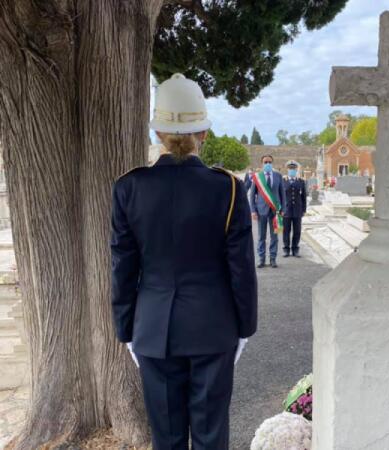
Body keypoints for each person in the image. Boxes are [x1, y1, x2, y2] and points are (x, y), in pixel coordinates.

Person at [110, 73, 258, 450]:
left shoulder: (129, 188)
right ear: (203, 133)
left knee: (167, 438)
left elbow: (123, 268)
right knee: (211, 436)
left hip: (152, 328)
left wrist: (126, 330)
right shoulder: (227, 188)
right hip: (214, 326)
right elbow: (241, 268)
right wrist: (245, 327)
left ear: (159, 133)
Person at [249, 155, 286, 268]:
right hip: (261, 211)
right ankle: (261, 259)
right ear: (262, 163)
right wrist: (253, 211)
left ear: (272, 163)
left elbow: (282, 194)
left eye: (269, 162)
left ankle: (273, 259)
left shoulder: (278, 176)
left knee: (274, 237)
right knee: (261, 237)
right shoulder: (257, 177)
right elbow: (252, 195)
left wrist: (283, 209)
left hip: (276, 211)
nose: (268, 164)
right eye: (265, 162)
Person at [282, 160, 307, 258]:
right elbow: (280, 196)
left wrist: (304, 210)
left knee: (297, 231)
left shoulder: (301, 181)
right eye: (290, 168)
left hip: (297, 210)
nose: (292, 170)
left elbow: (303, 197)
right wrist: (280, 209)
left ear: (296, 170)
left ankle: (295, 249)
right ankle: (286, 249)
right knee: (286, 231)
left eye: (293, 168)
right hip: (286, 210)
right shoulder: (283, 181)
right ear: (287, 169)